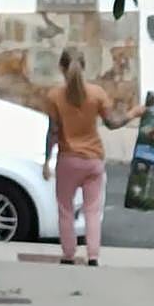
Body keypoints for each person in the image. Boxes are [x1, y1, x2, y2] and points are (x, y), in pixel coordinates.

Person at [43, 47, 144, 266]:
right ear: (85, 68)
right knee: (92, 210)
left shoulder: (54, 96)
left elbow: (53, 131)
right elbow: (112, 123)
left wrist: (46, 160)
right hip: (93, 160)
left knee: (65, 209)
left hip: (68, 160)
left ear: (61, 68)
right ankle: (93, 256)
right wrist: (133, 113)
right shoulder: (97, 94)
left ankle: (68, 255)